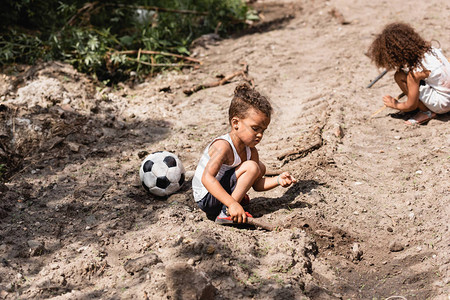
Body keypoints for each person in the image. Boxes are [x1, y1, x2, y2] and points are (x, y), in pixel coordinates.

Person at [192, 83, 297, 224]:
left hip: (219, 193)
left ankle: (231, 202)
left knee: (259, 167)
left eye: (263, 130)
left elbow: (257, 184)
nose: (259, 135)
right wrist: (232, 204)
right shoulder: (223, 146)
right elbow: (207, 178)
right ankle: (226, 212)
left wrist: (278, 180)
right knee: (253, 167)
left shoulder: (251, 151)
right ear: (236, 123)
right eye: (255, 128)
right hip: (206, 197)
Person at [368, 22, 450, 125]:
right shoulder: (433, 50)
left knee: (400, 76)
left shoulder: (415, 73)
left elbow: (411, 105)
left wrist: (394, 104)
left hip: (443, 105)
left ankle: (426, 112)